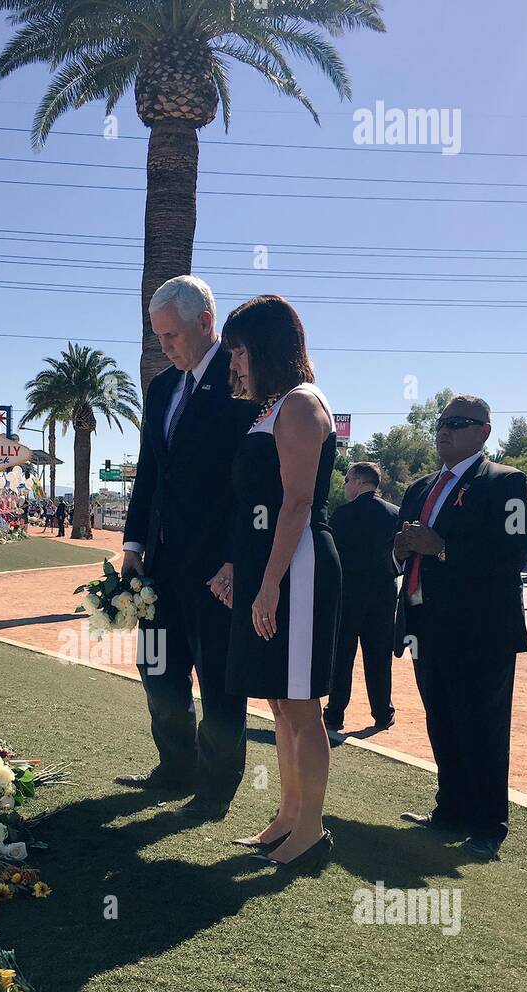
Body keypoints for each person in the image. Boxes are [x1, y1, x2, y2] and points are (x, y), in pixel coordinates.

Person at [118, 275, 256, 819]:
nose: (165, 347)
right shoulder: (160, 389)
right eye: (158, 338)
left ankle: (215, 789)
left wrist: (236, 556)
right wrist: (132, 544)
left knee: (219, 678)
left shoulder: (242, 380)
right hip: (160, 562)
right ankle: (173, 768)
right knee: (158, 667)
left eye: (171, 336)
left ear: (205, 323)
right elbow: (151, 470)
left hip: (216, 567)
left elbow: (250, 482)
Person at [220, 295, 340, 876]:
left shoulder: (298, 405)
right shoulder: (269, 407)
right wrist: (241, 571)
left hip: (300, 568)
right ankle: (290, 815)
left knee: (301, 704)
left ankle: (312, 829)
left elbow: (296, 504)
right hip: (273, 567)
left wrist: (268, 586)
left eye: (238, 351)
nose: (234, 364)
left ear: (263, 347)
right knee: (280, 701)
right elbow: (260, 507)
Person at [394, 395, 527, 860]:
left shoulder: (508, 482)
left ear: (484, 431)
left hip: (481, 631)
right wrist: (399, 551)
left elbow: (515, 553)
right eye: (441, 422)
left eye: (458, 423)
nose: (444, 430)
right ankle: (450, 809)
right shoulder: (419, 488)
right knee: (443, 720)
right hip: (423, 623)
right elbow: (403, 549)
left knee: (483, 727)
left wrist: (443, 548)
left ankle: (487, 825)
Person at [324, 461, 399, 732]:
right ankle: (382, 711)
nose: (345, 486)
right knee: (379, 656)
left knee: (342, 655)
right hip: (383, 594)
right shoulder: (395, 514)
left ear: (358, 481)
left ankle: (335, 713)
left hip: (348, 594)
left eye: (347, 481)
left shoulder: (342, 515)